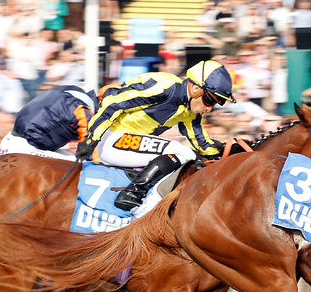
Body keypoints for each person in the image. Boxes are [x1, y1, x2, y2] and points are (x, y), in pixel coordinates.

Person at [75, 60, 234, 210]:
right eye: (209, 101)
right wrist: (91, 138)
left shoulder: (190, 112)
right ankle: (133, 193)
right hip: (112, 139)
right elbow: (112, 101)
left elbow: (202, 144)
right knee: (183, 152)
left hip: (129, 145)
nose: (209, 109)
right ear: (195, 89)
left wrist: (232, 150)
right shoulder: (164, 86)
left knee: (189, 156)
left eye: (216, 104)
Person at [0, 84, 97, 160]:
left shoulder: (74, 91)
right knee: (81, 166)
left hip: (14, 141)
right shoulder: (83, 111)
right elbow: (90, 151)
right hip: (24, 148)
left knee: (75, 161)